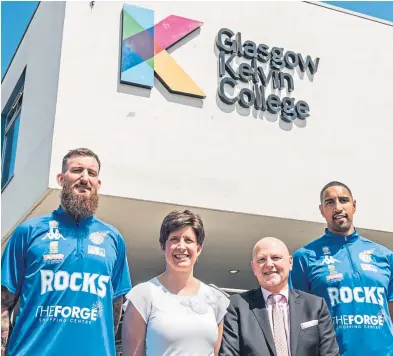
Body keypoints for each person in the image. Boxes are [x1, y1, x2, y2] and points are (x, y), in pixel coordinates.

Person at [1, 148, 132, 356]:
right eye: (77, 170)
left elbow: (115, 306)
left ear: (98, 184)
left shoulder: (113, 238)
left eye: (92, 173)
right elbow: (3, 303)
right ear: (61, 179)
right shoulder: (29, 232)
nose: (84, 178)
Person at [291, 181, 393, 356]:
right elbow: (299, 318)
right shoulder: (304, 257)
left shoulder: (385, 255)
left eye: (343, 200)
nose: (338, 207)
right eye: (330, 202)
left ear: (354, 206)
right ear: (322, 210)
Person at [122, 209, 229, 356]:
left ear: (199, 249)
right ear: (163, 246)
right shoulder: (143, 295)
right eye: (174, 239)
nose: (181, 246)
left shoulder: (216, 300)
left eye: (189, 240)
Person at [220, 237, 339, 356]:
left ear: (290, 262)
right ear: (253, 268)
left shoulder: (315, 306)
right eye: (261, 259)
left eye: (276, 258)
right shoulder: (236, 307)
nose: (269, 264)